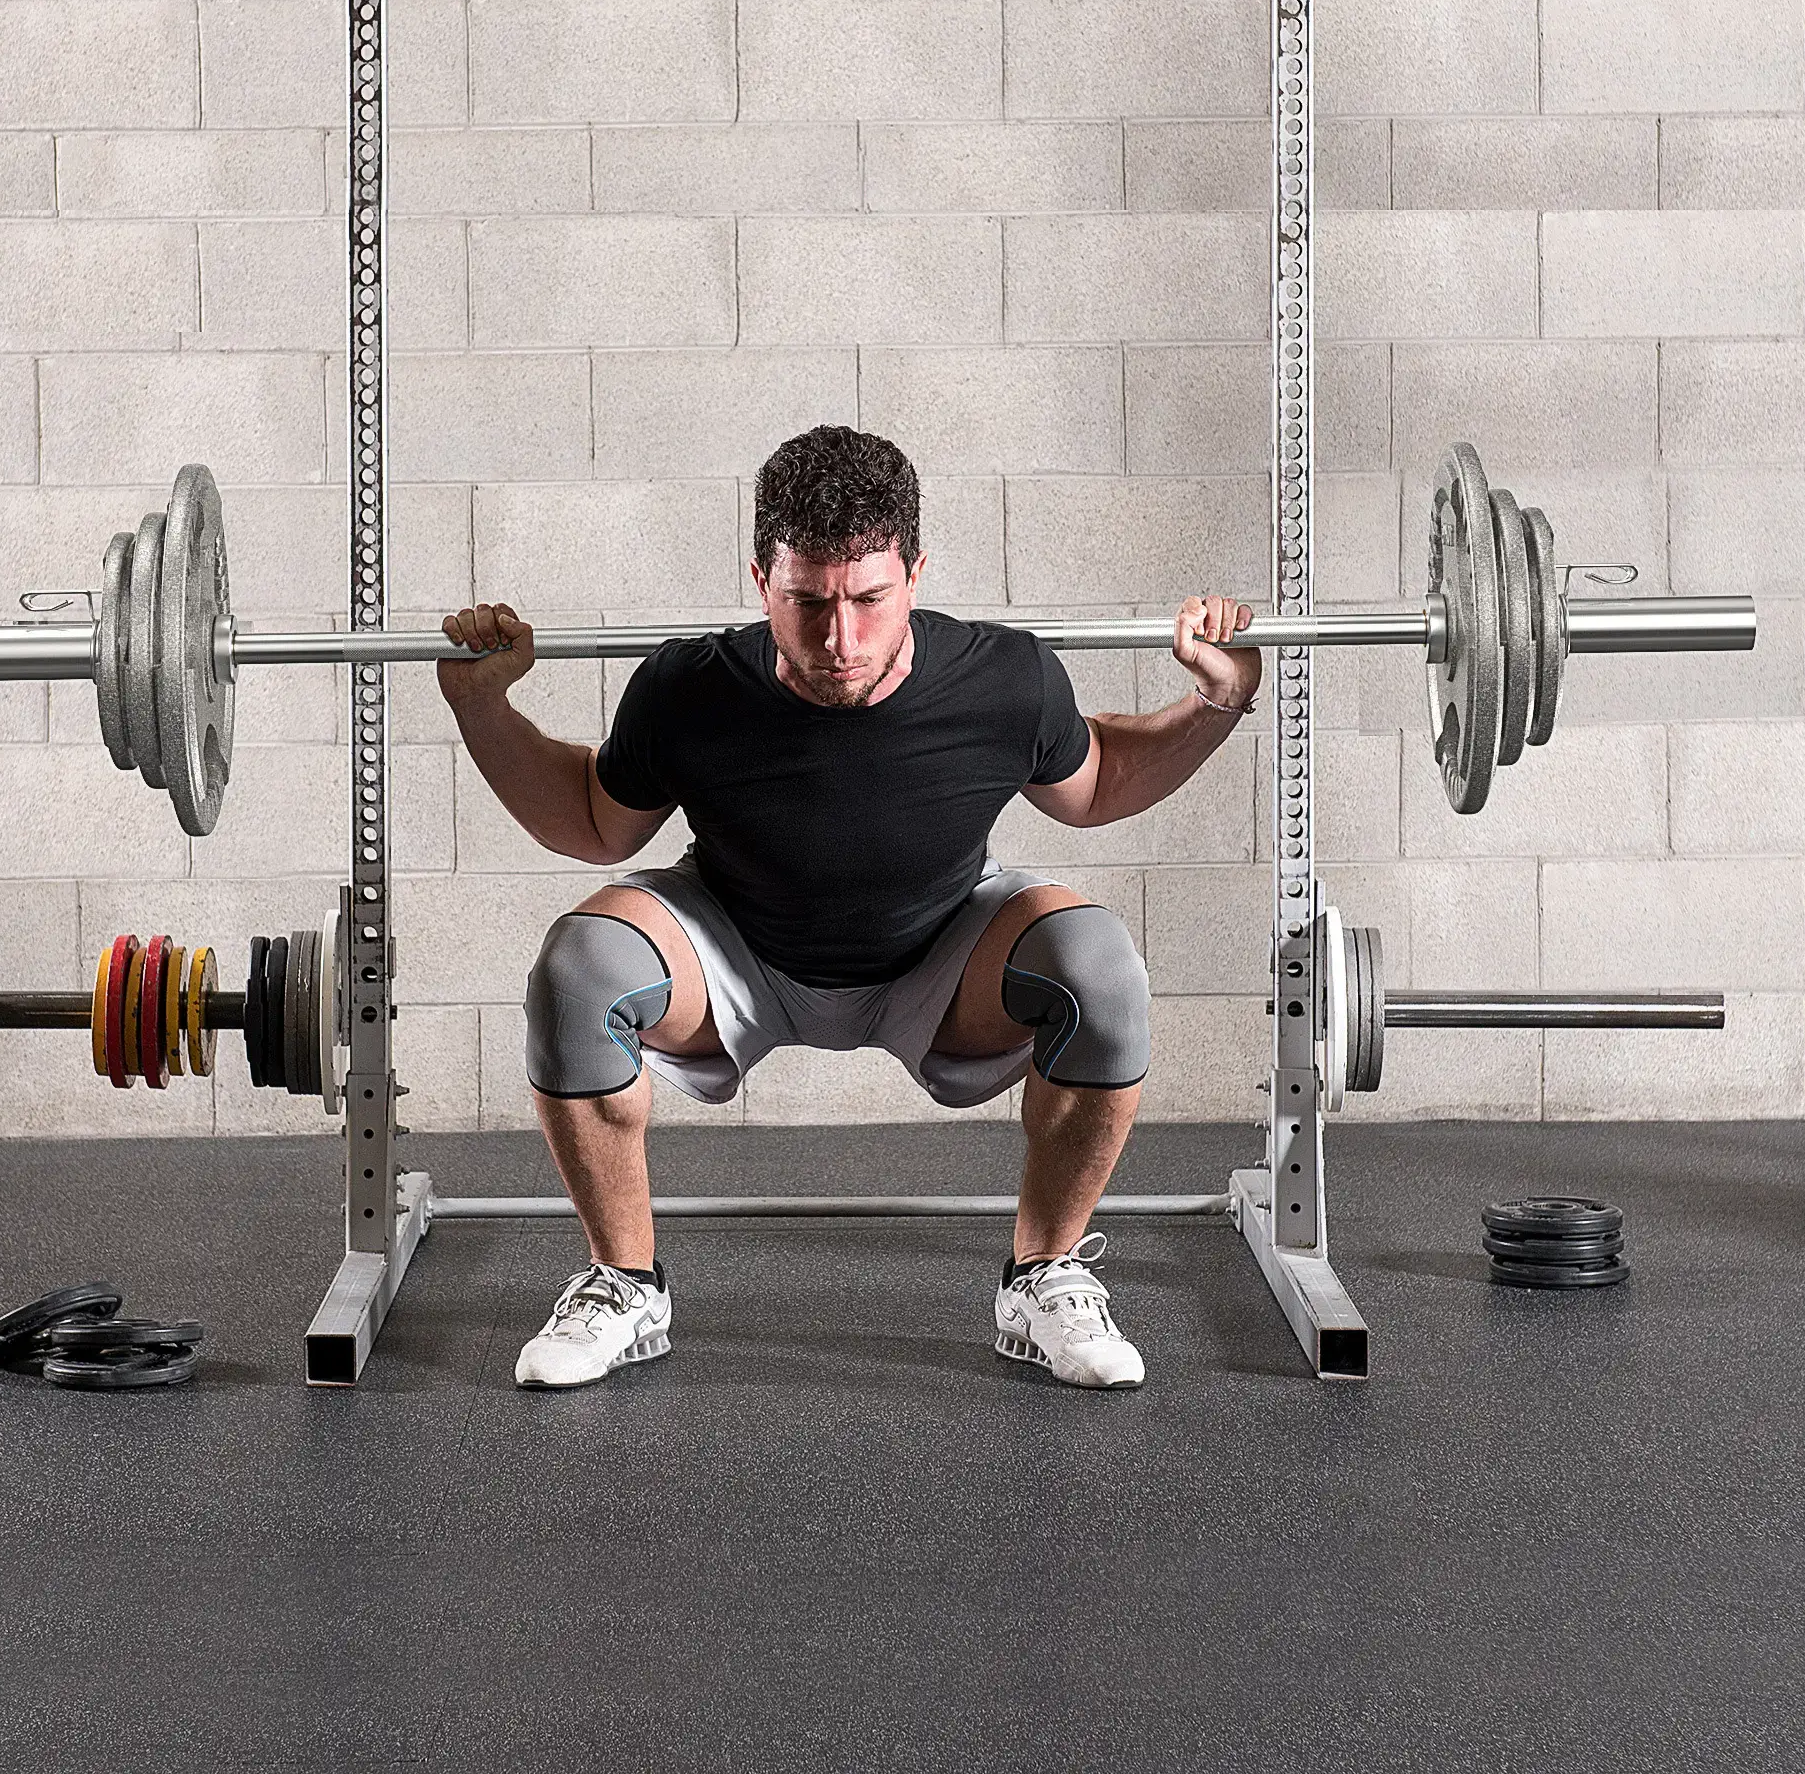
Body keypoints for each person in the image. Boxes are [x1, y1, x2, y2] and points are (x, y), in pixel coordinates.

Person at [440, 426, 1258, 1393]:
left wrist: (1219, 701)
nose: (841, 640)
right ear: (762, 581)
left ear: (915, 574)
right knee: (580, 967)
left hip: (942, 959)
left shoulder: (1006, 677)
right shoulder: (688, 687)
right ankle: (624, 1284)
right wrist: (482, 709)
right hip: (735, 955)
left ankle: (1044, 1277)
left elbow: (1099, 781)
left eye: (869, 600)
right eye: (809, 602)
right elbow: (592, 821)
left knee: (1101, 965)